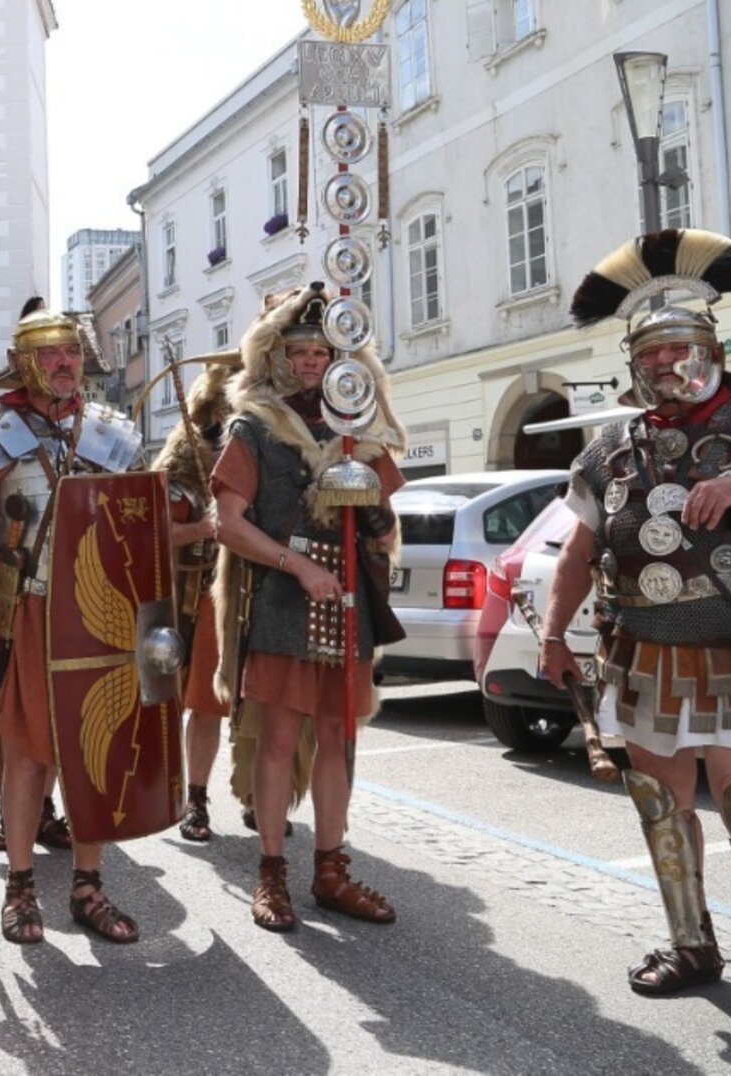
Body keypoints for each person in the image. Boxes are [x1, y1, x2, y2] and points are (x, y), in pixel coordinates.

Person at [543, 228, 731, 1057]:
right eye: (653, 356)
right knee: (659, 801)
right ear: (634, 364)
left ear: (714, 348)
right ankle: (692, 944)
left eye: (683, 349)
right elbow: (579, 550)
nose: (669, 366)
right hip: (641, 648)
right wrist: (553, 633)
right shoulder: (610, 449)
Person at [0, 303, 148, 945]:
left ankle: (88, 885)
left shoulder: (114, 431)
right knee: (28, 755)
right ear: (26, 364)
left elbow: (138, 523)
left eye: (73, 353)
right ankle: (22, 885)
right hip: (23, 608)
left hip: (100, 613)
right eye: (51, 354)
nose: (64, 364)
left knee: (94, 750)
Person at [209, 284, 407, 934]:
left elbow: (384, 526)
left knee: (339, 740)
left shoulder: (361, 426)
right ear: (276, 356)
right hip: (282, 600)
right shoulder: (255, 427)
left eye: (322, 351)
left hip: (348, 600)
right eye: (299, 350)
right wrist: (297, 564)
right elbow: (229, 525)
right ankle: (271, 872)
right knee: (279, 741)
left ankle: (330, 869)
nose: (311, 362)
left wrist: (375, 515)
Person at [154, 358, 235, 842]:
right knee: (202, 705)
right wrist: (204, 527)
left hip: (258, 595)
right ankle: (195, 799)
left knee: (265, 707)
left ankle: (256, 795)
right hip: (198, 599)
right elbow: (153, 533)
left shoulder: (262, 449)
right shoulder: (184, 461)